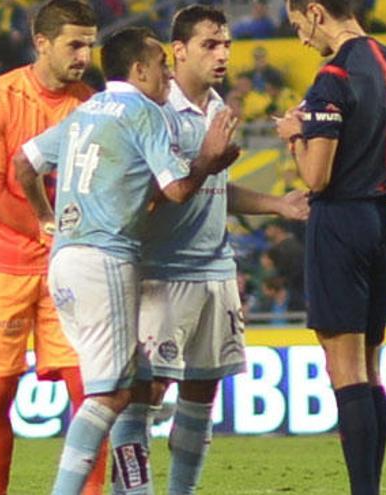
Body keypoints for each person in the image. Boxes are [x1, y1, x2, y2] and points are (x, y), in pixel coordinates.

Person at [14, 26, 240, 495]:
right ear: (139, 69)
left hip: (65, 259)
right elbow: (178, 189)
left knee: (132, 383)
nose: (166, 76)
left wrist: (45, 216)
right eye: (161, 66)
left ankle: (134, 492)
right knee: (113, 393)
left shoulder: (85, 112)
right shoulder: (144, 113)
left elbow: (23, 161)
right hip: (107, 259)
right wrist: (209, 161)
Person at [108, 7, 309, 494]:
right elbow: (153, 192)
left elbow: (218, 185)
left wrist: (277, 204)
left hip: (215, 267)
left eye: (226, 45)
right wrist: (206, 161)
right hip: (160, 270)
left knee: (202, 389)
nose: (222, 55)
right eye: (209, 45)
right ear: (177, 51)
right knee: (144, 393)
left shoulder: (217, 107)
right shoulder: (151, 108)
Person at [0, 2, 106, 493]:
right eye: (74, 44)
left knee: (89, 389)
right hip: (4, 264)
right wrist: (51, 231)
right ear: (42, 43)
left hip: (69, 267)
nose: (85, 55)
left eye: (89, 44)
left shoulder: (93, 105)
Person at [276, 1, 386, 494]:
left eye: (299, 26)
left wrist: (294, 136)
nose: (301, 39)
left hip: (342, 219)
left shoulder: (332, 76)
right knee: (372, 365)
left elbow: (316, 177)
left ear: (317, 12)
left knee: (345, 366)